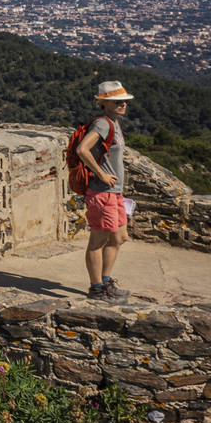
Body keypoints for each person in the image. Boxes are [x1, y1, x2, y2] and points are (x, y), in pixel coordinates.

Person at [78, 80, 133, 301]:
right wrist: (101, 175)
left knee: (120, 237)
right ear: (104, 103)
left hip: (115, 192)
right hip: (102, 192)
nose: (122, 105)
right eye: (117, 102)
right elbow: (83, 149)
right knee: (98, 241)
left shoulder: (114, 122)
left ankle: (107, 282)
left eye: (124, 101)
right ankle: (97, 289)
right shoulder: (102, 124)